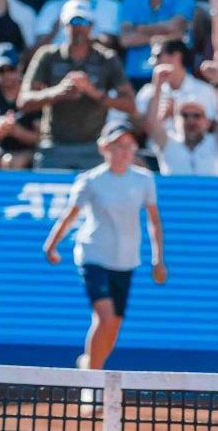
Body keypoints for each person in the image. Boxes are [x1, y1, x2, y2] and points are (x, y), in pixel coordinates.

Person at [40, 123, 167, 373]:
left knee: (114, 324)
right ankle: (92, 380)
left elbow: (154, 221)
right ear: (104, 147)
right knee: (105, 317)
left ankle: (90, 364)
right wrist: (52, 245)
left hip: (126, 260)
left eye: (129, 146)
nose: (124, 152)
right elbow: (70, 215)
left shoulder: (144, 180)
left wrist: (158, 259)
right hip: (93, 255)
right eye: (118, 146)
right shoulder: (91, 180)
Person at [19, 0, 134, 170]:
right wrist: (58, 92)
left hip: (93, 147)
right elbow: (24, 102)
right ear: (64, 24)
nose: (79, 27)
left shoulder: (106, 58)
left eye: (85, 21)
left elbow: (130, 105)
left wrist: (95, 94)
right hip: (54, 146)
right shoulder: (48, 56)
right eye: (74, 21)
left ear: (92, 26)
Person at [118, 0, 196, 84]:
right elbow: (125, 40)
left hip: (174, 76)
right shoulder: (129, 3)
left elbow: (174, 26)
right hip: (136, 76)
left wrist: (139, 29)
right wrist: (168, 36)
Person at [0, 42, 38, 169]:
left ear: (20, 67)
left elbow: (42, 139)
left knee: (17, 162)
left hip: (31, 152)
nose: (6, 75)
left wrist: (17, 131)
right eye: (1, 70)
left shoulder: (33, 91)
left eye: (11, 68)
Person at [149, 93, 218, 175]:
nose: (191, 121)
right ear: (175, 121)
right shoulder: (168, 143)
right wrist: (159, 83)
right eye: (184, 115)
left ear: (207, 122)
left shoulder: (216, 143)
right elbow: (151, 124)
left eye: (197, 116)